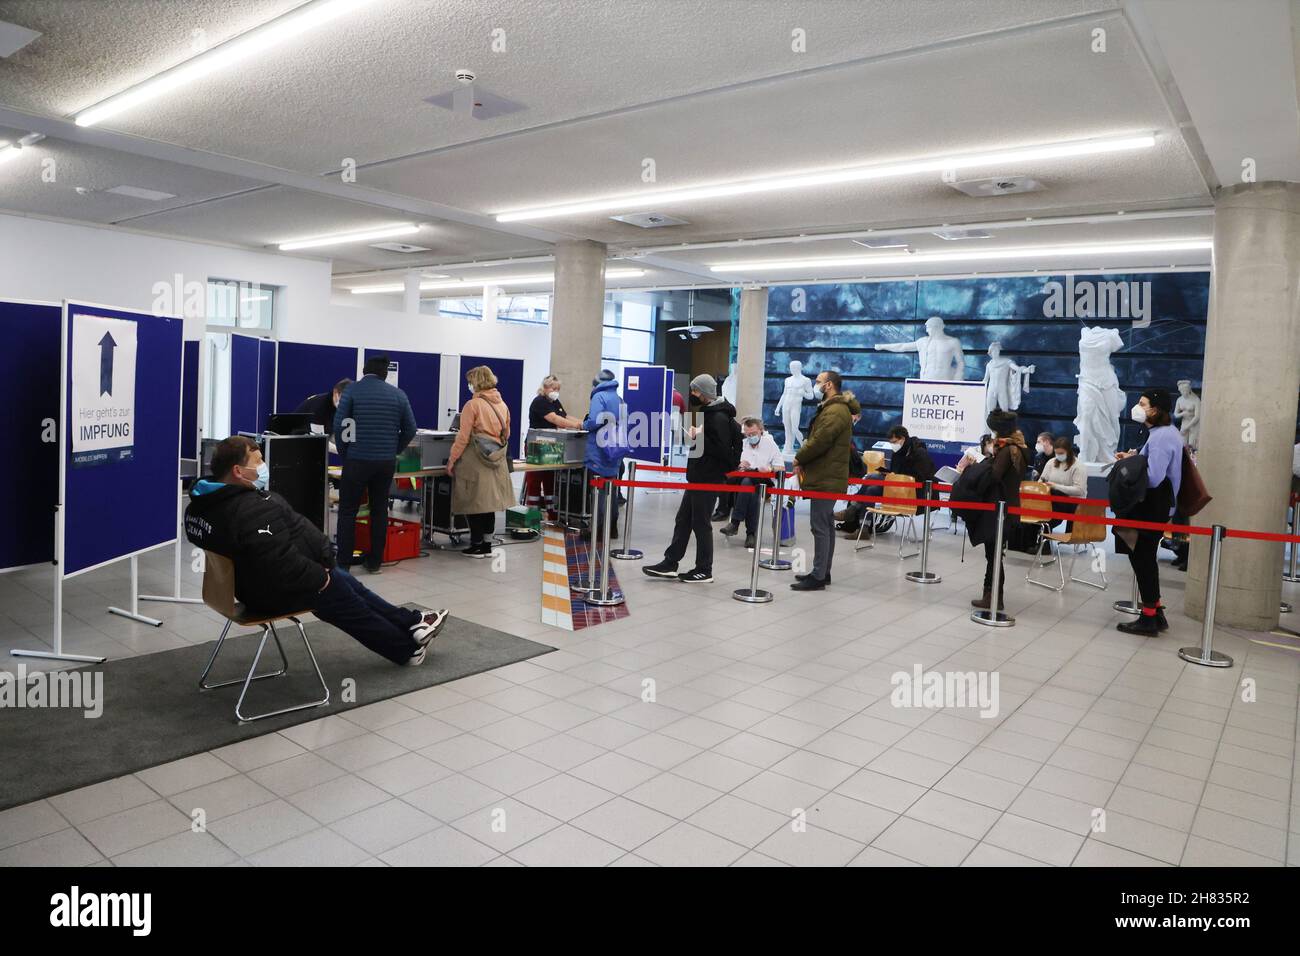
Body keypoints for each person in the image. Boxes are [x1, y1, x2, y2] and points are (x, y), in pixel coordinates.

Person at [186, 436, 447, 666]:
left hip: (249, 584)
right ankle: (406, 649)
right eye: (258, 461)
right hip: (272, 592)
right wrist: (320, 579)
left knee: (346, 582)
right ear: (238, 471)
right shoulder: (249, 510)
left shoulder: (203, 504)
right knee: (345, 599)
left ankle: (411, 622)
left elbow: (271, 554)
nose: (263, 467)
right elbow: (282, 564)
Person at [643, 374, 737, 583]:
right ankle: (670, 562)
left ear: (704, 393)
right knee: (683, 520)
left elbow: (721, 450)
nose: (692, 395)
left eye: (695, 391)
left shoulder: (718, 417)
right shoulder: (711, 413)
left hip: (708, 477)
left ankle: (704, 569)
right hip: (699, 476)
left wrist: (698, 437)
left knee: (700, 523)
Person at [332, 355, 416, 574]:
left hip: (357, 460)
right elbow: (410, 429)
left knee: (348, 511)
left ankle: (343, 564)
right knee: (379, 510)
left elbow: (341, 425)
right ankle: (375, 561)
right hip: (385, 462)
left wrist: (345, 453)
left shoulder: (352, 391)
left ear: (363, 370)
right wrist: (394, 450)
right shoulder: (398, 395)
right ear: (385, 373)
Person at [1113, 388, 1182, 635]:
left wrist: (1127, 467)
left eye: (1143, 403)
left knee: (1142, 558)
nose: (1138, 407)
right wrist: (1131, 458)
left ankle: (1150, 617)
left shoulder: (1162, 436)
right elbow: (1148, 463)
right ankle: (1156, 610)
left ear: (1156, 409)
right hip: (1155, 506)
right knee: (1144, 558)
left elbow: (1153, 477)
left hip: (1152, 506)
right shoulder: (1163, 433)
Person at [791, 371, 859, 591]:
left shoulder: (836, 410)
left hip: (826, 476)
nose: (815, 384)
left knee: (820, 526)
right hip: (827, 474)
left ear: (829, 385)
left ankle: (819, 576)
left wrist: (799, 456)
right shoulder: (835, 409)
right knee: (826, 525)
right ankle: (822, 571)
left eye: (819, 381)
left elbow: (820, 440)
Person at [447, 365, 516, 558]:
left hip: (475, 460)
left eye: (470, 381)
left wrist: (452, 460)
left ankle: (475, 545)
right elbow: (507, 433)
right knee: (489, 503)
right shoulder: (502, 404)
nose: (468, 385)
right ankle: (486, 545)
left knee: (474, 502)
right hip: (496, 458)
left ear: (476, 382)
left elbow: (463, 437)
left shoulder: (472, 405)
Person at [971, 409, 1028, 610]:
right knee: (995, 554)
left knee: (993, 555)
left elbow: (994, 476)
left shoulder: (1006, 450)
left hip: (999, 508)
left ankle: (994, 596)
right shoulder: (1019, 448)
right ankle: (991, 594)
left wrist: (982, 463)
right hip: (1010, 505)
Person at [720, 418, 783, 549]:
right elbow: (739, 465)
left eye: (753, 433)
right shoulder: (744, 444)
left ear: (761, 431)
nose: (751, 437)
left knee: (749, 485)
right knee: (750, 488)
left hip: (764, 480)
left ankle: (735, 523)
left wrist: (769, 469)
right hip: (746, 480)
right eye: (748, 434)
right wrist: (741, 465)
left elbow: (781, 468)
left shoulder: (770, 444)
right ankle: (751, 535)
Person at [525, 375, 582, 519]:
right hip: (536, 444)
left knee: (550, 478)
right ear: (545, 387)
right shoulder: (540, 402)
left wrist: (582, 422)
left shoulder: (554, 401)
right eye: (553, 388)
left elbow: (565, 416)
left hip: (550, 444)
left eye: (558, 388)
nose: (556, 391)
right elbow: (555, 419)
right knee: (535, 480)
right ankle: (533, 513)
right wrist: (576, 426)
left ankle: (551, 512)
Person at [583, 369, 628, 541]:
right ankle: (612, 528)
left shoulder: (599, 397)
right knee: (612, 490)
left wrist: (584, 423)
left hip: (599, 451)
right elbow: (625, 421)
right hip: (615, 451)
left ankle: (598, 530)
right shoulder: (619, 399)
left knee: (598, 491)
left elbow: (595, 420)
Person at [1039, 435, 1086, 530]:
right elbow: (1041, 481)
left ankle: (1044, 530)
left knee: (1051, 511)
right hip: (1053, 500)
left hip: (1072, 502)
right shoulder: (1051, 462)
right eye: (1056, 453)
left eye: (1061, 453)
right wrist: (1042, 485)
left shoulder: (1078, 466)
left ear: (1068, 452)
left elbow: (1079, 490)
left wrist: (1056, 486)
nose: (1058, 456)